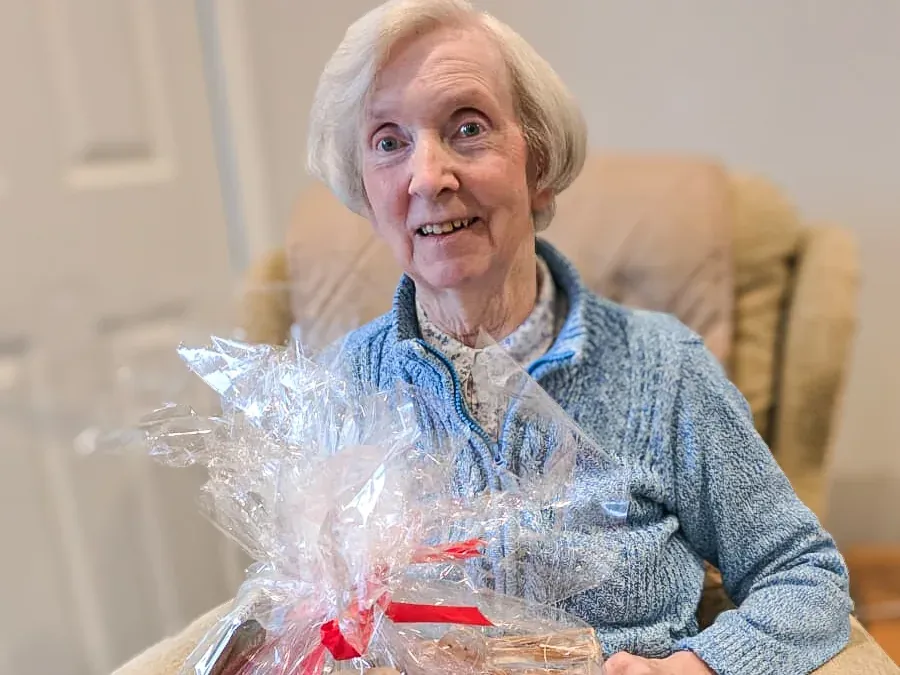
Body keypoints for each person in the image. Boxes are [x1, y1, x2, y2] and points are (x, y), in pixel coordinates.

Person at [305, 1, 854, 674]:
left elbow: (802, 573)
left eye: (467, 128)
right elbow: (303, 605)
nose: (428, 176)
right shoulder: (339, 389)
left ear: (538, 164)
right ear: (364, 187)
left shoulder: (661, 369)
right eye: (388, 142)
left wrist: (692, 667)